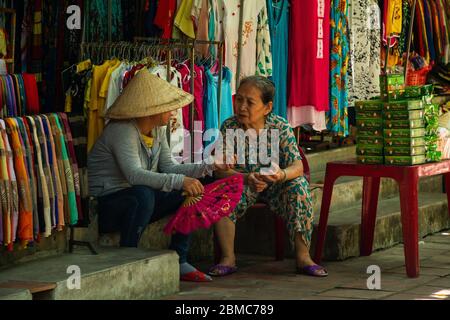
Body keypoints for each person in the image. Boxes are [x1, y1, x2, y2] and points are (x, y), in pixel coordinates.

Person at [88, 70, 232, 282]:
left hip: (140, 201)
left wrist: (208, 166)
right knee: (143, 194)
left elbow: (169, 167)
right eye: (167, 106)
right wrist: (180, 181)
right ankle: (128, 256)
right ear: (150, 110)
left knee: (192, 192)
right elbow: (134, 175)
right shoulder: (121, 131)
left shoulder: (156, 131)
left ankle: (179, 259)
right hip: (109, 205)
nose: (173, 110)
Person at [210, 76, 328, 277]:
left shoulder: (280, 126)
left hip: (275, 184)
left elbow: (297, 166)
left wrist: (281, 175)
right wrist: (247, 178)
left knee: (299, 187)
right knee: (222, 191)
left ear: (267, 107)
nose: (242, 106)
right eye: (239, 100)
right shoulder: (229, 127)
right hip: (244, 183)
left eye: (250, 102)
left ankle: (303, 257)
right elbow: (219, 169)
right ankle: (228, 258)